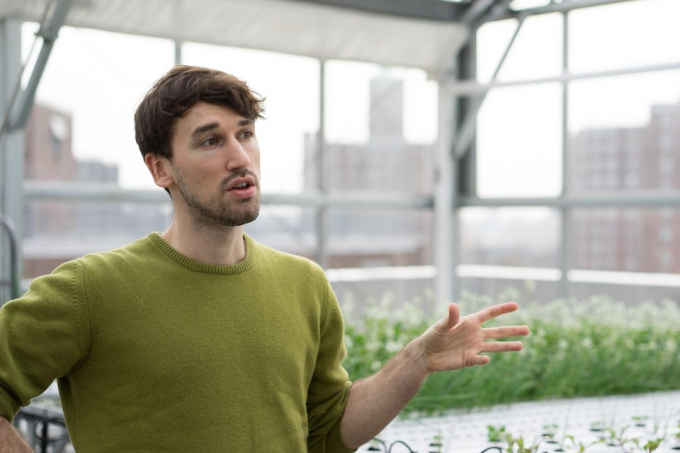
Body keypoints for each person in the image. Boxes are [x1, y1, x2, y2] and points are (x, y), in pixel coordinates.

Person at [0, 65, 530, 453]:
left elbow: (325, 431)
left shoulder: (305, 284)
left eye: (245, 134)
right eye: (210, 141)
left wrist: (415, 363)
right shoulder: (92, 290)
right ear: (160, 169)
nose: (239, 156)